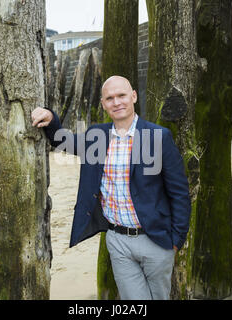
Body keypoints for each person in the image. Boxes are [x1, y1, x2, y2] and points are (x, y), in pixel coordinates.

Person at [31, 75, 191, 300]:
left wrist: (176, 240)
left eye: (122, 95)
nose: (117, 102)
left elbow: (179, 193)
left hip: (156, 240)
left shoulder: (157, 136)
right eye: (110, 98)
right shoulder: (96, 136)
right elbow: (62, 141)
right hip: (118, 241)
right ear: (104, 103)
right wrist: (50, 116)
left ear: (133, 96)